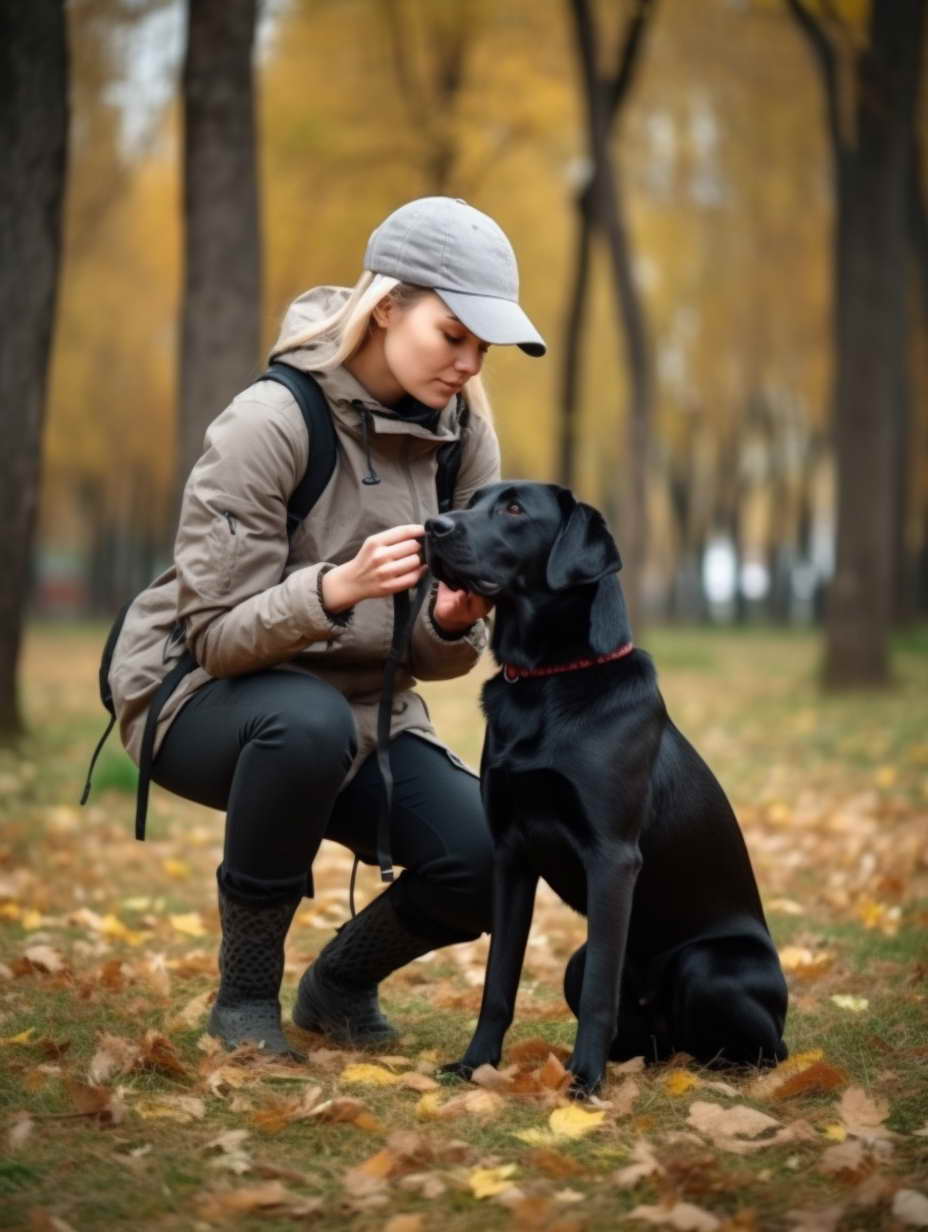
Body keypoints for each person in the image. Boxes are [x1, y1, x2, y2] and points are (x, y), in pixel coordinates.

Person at [107, 197, 546, 1059]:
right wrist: (335, 589)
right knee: (300, 724)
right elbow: (214, 638)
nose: (468, 364)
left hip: (361, 715)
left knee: (491, 858)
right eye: (452, 334)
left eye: (482, 348)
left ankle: (338, 986)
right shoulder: (269, 422)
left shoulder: (464, 439)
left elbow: (431, 657)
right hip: (197, 698)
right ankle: (244, 999)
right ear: (385, 308)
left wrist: (451, 627)